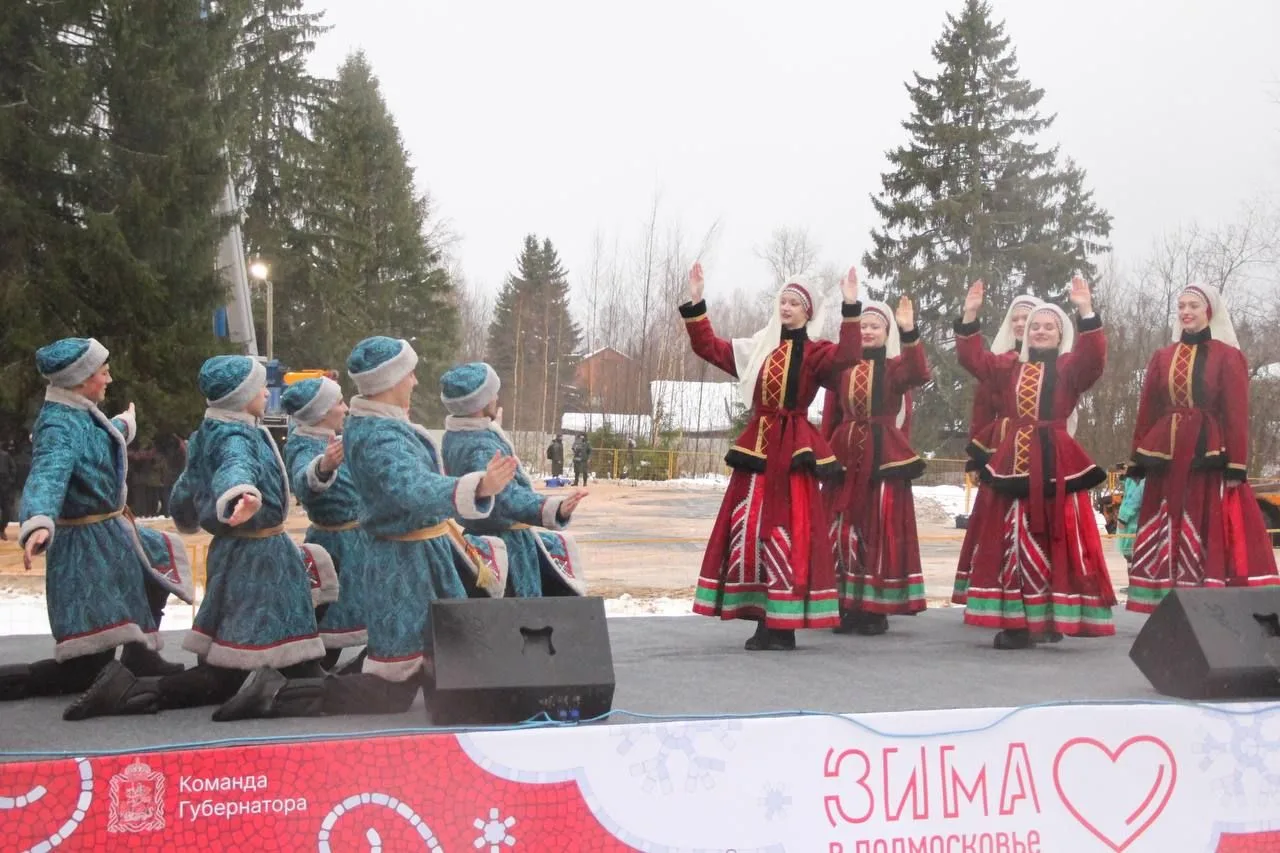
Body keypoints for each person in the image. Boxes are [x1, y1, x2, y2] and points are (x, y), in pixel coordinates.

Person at [64, 354, 335, 721]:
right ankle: (130, 690)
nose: (264, 394)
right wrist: (242, 494)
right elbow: (234, 467)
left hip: (244, 552)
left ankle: (134, 689)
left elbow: (186, 489)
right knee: (240, 667)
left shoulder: (211, 430)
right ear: (239, 395)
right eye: (258, 387)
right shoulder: (236, 435)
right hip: (258, 557)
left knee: (255, 656)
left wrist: (192, 513)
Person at [679, 262, 861, 650]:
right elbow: (708, 347)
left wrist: (850, 308)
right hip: (758, 448)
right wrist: (697, 302)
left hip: (793, 448)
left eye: (795, 303)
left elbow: (847, 358)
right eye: (784, 300)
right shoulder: (759, 347)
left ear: (808, 312)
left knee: (787, 530)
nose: (787, 307)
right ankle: (762, 616)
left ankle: (784, 623)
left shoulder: (817, 352)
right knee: (749, 528)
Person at [0, 337, 187, 711]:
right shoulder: (58, 425)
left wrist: (124, 424)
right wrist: (38, 521)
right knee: (85, 668)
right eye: (103, 372)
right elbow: (48, 473)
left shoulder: (78, 412)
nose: (109, 379)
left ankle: (139, 651)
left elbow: (100, 437)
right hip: (84, 544)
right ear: (81, 379)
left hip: (109, 532)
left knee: (157, 555)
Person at [955, 276, 1116, 649]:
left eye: (1049, 327)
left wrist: (1086, 311)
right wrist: (970, 314)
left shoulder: (1069, 368)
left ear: (1061, 335)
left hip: (1056, 458)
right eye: (1035, 327)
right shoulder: (1008, 366)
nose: (1041, 332)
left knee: (1057, 536)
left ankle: (1052, 616)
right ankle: (1017, 622)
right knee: (1011, 534)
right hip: (1013, 458)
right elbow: (972, 359)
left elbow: (1095, 358)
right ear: (1024, 333)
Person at [1126, 283, 1280, 611]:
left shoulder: (1228, 356)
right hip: (1166, 452)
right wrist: (1138, 455)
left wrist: (1237, 463)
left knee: (1205, 518)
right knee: (1166, 517)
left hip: (1206, 452)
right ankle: (1166, 599)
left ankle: (1208, 599)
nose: (1185, 312)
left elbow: (1236, 413)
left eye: (1193, 305)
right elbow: (1148, 408)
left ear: (1209, 310)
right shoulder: (1162, 357)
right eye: (1181, 306)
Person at [821, 297, 930, 635]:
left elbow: (919, 372)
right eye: (863, 326)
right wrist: (823, 457)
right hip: (845, 455)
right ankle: (845, 603)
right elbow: (831, 416)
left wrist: (909, 330)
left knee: (876, 528)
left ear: (886, 332)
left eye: (874, 326)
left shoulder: (896, 368)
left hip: (882, 456)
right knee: (840, 528)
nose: (867, 331)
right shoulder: (842, 369)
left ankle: (874, 608)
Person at [440, 362, 589, 598]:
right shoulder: (480, 446)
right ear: (479, 402)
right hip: (509, 550)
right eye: (491, 393)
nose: (497, 397)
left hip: (482, 539)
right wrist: (552, 508)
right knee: (518, 621)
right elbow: (505, 498)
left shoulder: (457, 436)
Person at [951, 294, 1041, 604]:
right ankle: (994, 587)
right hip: (1001, 448)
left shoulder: (1057, 363)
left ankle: (1037, 590)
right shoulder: (1000, 363)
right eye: (1014, 318)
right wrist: (976, 459)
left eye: (1025, 318)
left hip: (1043, 449)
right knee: (995, 517)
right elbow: (981, 411)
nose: (1019, 323)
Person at [281, 376, 369, 669]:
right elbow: (303, 482)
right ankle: (308, 681)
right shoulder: (305, 445)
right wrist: (323, 467)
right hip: (335, 550)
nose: (345, 409)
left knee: (361, 619)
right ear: (320, 413)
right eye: (339, 402)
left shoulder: (333, 439)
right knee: (328, 626)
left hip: (357, 544)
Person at [1116, 471, 1144, 565]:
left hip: (1132, 523)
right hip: (1133, 522)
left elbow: (1134, 499)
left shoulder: (1141, 481)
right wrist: (1124, 478)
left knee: (1131, 554)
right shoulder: (1139, 478)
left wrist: (1123, 518)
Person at [0, 441, 14, 539]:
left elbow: (13, 468)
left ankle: (1, 529)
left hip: (4, 485)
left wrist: (10, 481)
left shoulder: (5, 456)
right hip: (5, 484)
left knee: (6, 509)